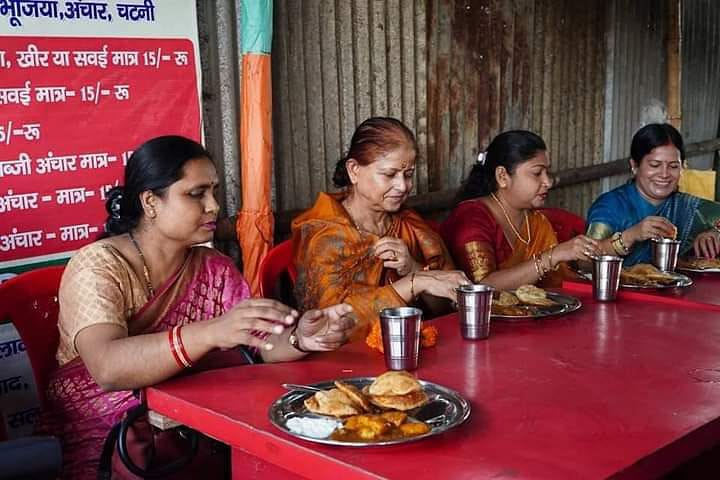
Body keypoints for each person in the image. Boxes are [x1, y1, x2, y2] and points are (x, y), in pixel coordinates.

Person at [41, 136, 355, 479]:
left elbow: (261, 345)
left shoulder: (212, 267)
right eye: (196, 194)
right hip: (111, 442)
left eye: (214, 192)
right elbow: (108, 369)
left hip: (192, 430)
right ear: (150, 202)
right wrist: (210, 333)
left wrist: (300, 340)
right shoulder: (99, 266)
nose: (214, 206)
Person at [292, 117, 470, 343]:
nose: (403, 186)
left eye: (408, 174)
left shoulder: (409, 224)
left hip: (410, 347)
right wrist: (414, 282)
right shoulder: (324, 237)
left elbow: (446, 306)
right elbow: (331, 327)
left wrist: (412, 268)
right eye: (389, 174)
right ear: (354, 170)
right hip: (344, 363)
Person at [441, 130, 599, 290]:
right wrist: (552, 257)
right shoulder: (472, 218)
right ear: (502, 176)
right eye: (537, 173)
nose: (548, 182)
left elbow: (559, 277)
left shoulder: (535, 221)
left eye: (547, 173)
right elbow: (482, 287)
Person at [586, 123, 720, 264]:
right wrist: (630, 236)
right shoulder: (612, 205)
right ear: (634, 166)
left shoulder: (688, 207)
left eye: (673, 166)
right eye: (654, 165)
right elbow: (585, 261)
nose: (664, 174)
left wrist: (715, 233)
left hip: (676, 286)